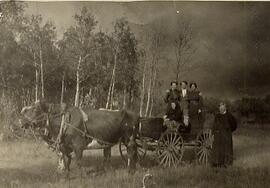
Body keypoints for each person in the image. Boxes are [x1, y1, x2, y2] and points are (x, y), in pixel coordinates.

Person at [211, 102, 237, 167]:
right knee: (218, 149)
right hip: (218, 136)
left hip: (226, 135)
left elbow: (234, 125)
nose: (221, 109)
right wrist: (213, 133)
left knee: (227, 149)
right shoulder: (217, 116)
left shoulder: (229, 116)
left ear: (225, 108)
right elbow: (214, 125)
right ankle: (217, 163)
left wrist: (229, 131)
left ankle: (227, 163)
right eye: (220, 107)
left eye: (222, 107)